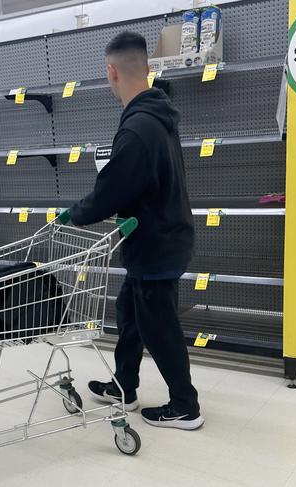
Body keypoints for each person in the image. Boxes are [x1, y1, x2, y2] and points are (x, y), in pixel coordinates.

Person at [69, 31, 203, 430]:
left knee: (158, 326)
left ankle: (185, 406)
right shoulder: (156, 114)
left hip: (155, 243)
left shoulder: (137, 129)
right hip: (160, 235)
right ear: (146, 68)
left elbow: (111, 191)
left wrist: (74, 214)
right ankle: (123, 385)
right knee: (130, 312)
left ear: (111, 71)